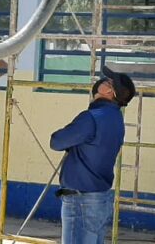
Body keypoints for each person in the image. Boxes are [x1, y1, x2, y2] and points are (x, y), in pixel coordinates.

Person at [50, 66, 136, 244]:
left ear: (111, 92)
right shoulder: (116, 118)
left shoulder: (92, 117)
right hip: (99, 198)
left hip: (81, 200)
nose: (103, 81)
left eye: (108, 82)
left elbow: (57, 142)